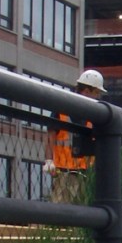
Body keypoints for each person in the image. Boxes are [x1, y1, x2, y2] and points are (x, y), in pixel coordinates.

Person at [44, 69, 105, 203]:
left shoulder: (93, 117)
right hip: (63, 173)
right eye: (96, 93)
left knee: (81, 213)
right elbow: (50, 136)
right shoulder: (62, 111)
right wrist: (49, 161)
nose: (98, 97)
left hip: (85, 174)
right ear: (86, 91)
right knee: (61, 211)